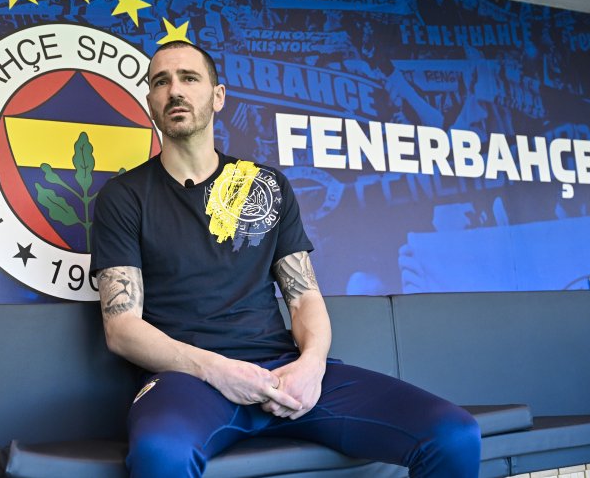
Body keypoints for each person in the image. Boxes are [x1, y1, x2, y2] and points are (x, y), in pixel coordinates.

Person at [90, 41, 481, 477]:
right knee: (161, 453)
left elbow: (304, 298)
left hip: (282, 372)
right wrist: (218, 371)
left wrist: (311, 366)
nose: (175, 90)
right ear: (150, 102)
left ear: (218, 96)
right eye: (161, 82)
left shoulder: (263, 184)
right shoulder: (123, 197)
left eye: (189, 78)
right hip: (189, 381)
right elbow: (122, 329)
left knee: (453, 434)